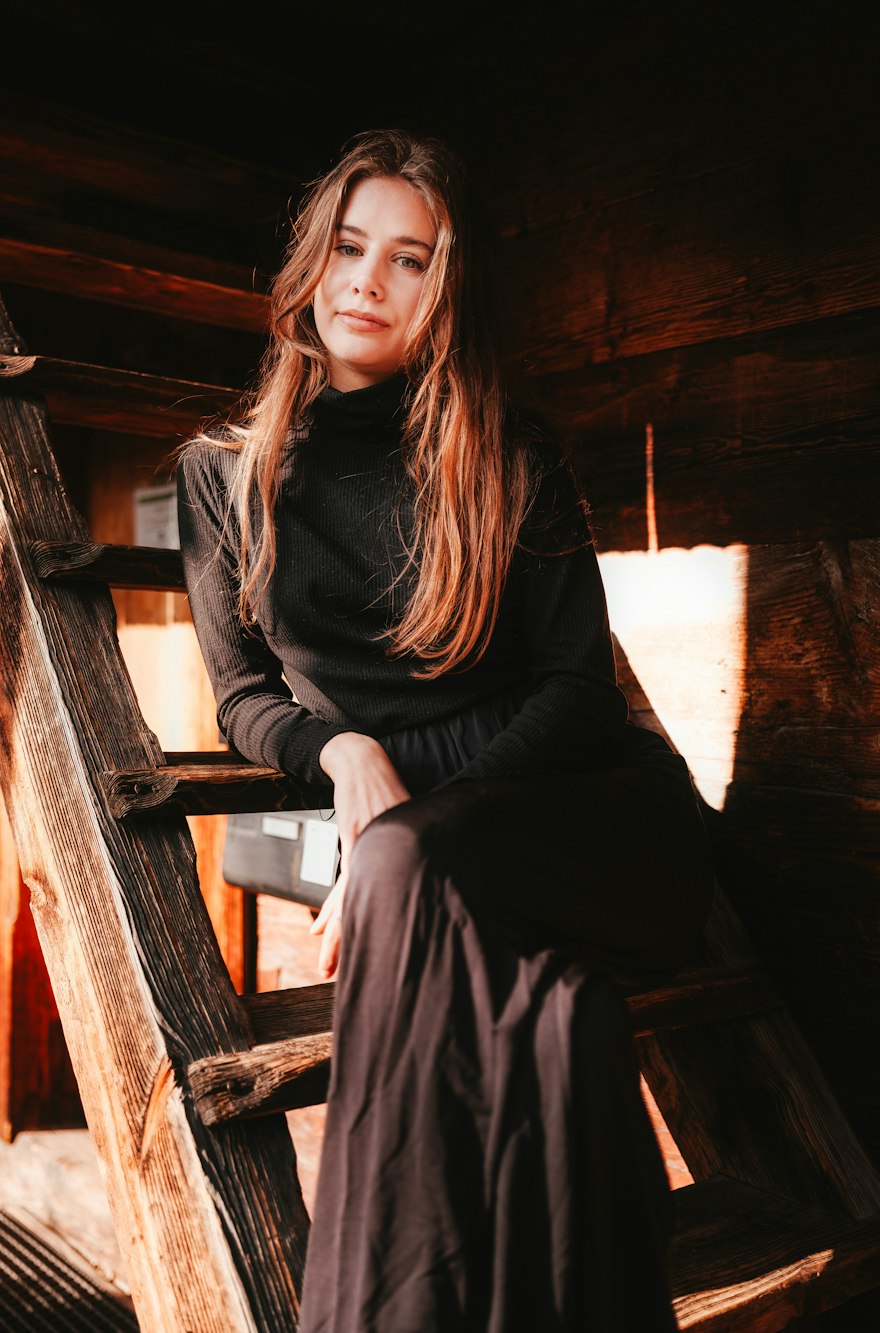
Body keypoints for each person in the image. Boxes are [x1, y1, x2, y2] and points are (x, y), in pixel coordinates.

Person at [176, 129, 713, 1333]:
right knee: (562, 1017)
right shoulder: (225, 477)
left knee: (392, 862)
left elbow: (578, 695)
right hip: (394, 827)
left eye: (409, 260)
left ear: (446, 293)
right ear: (310, 266)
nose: (369, 280)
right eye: (350, 247)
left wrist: (410, 830)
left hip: (583, 820)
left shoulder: (508, 456)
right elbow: (240, 691)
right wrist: (341, 753)